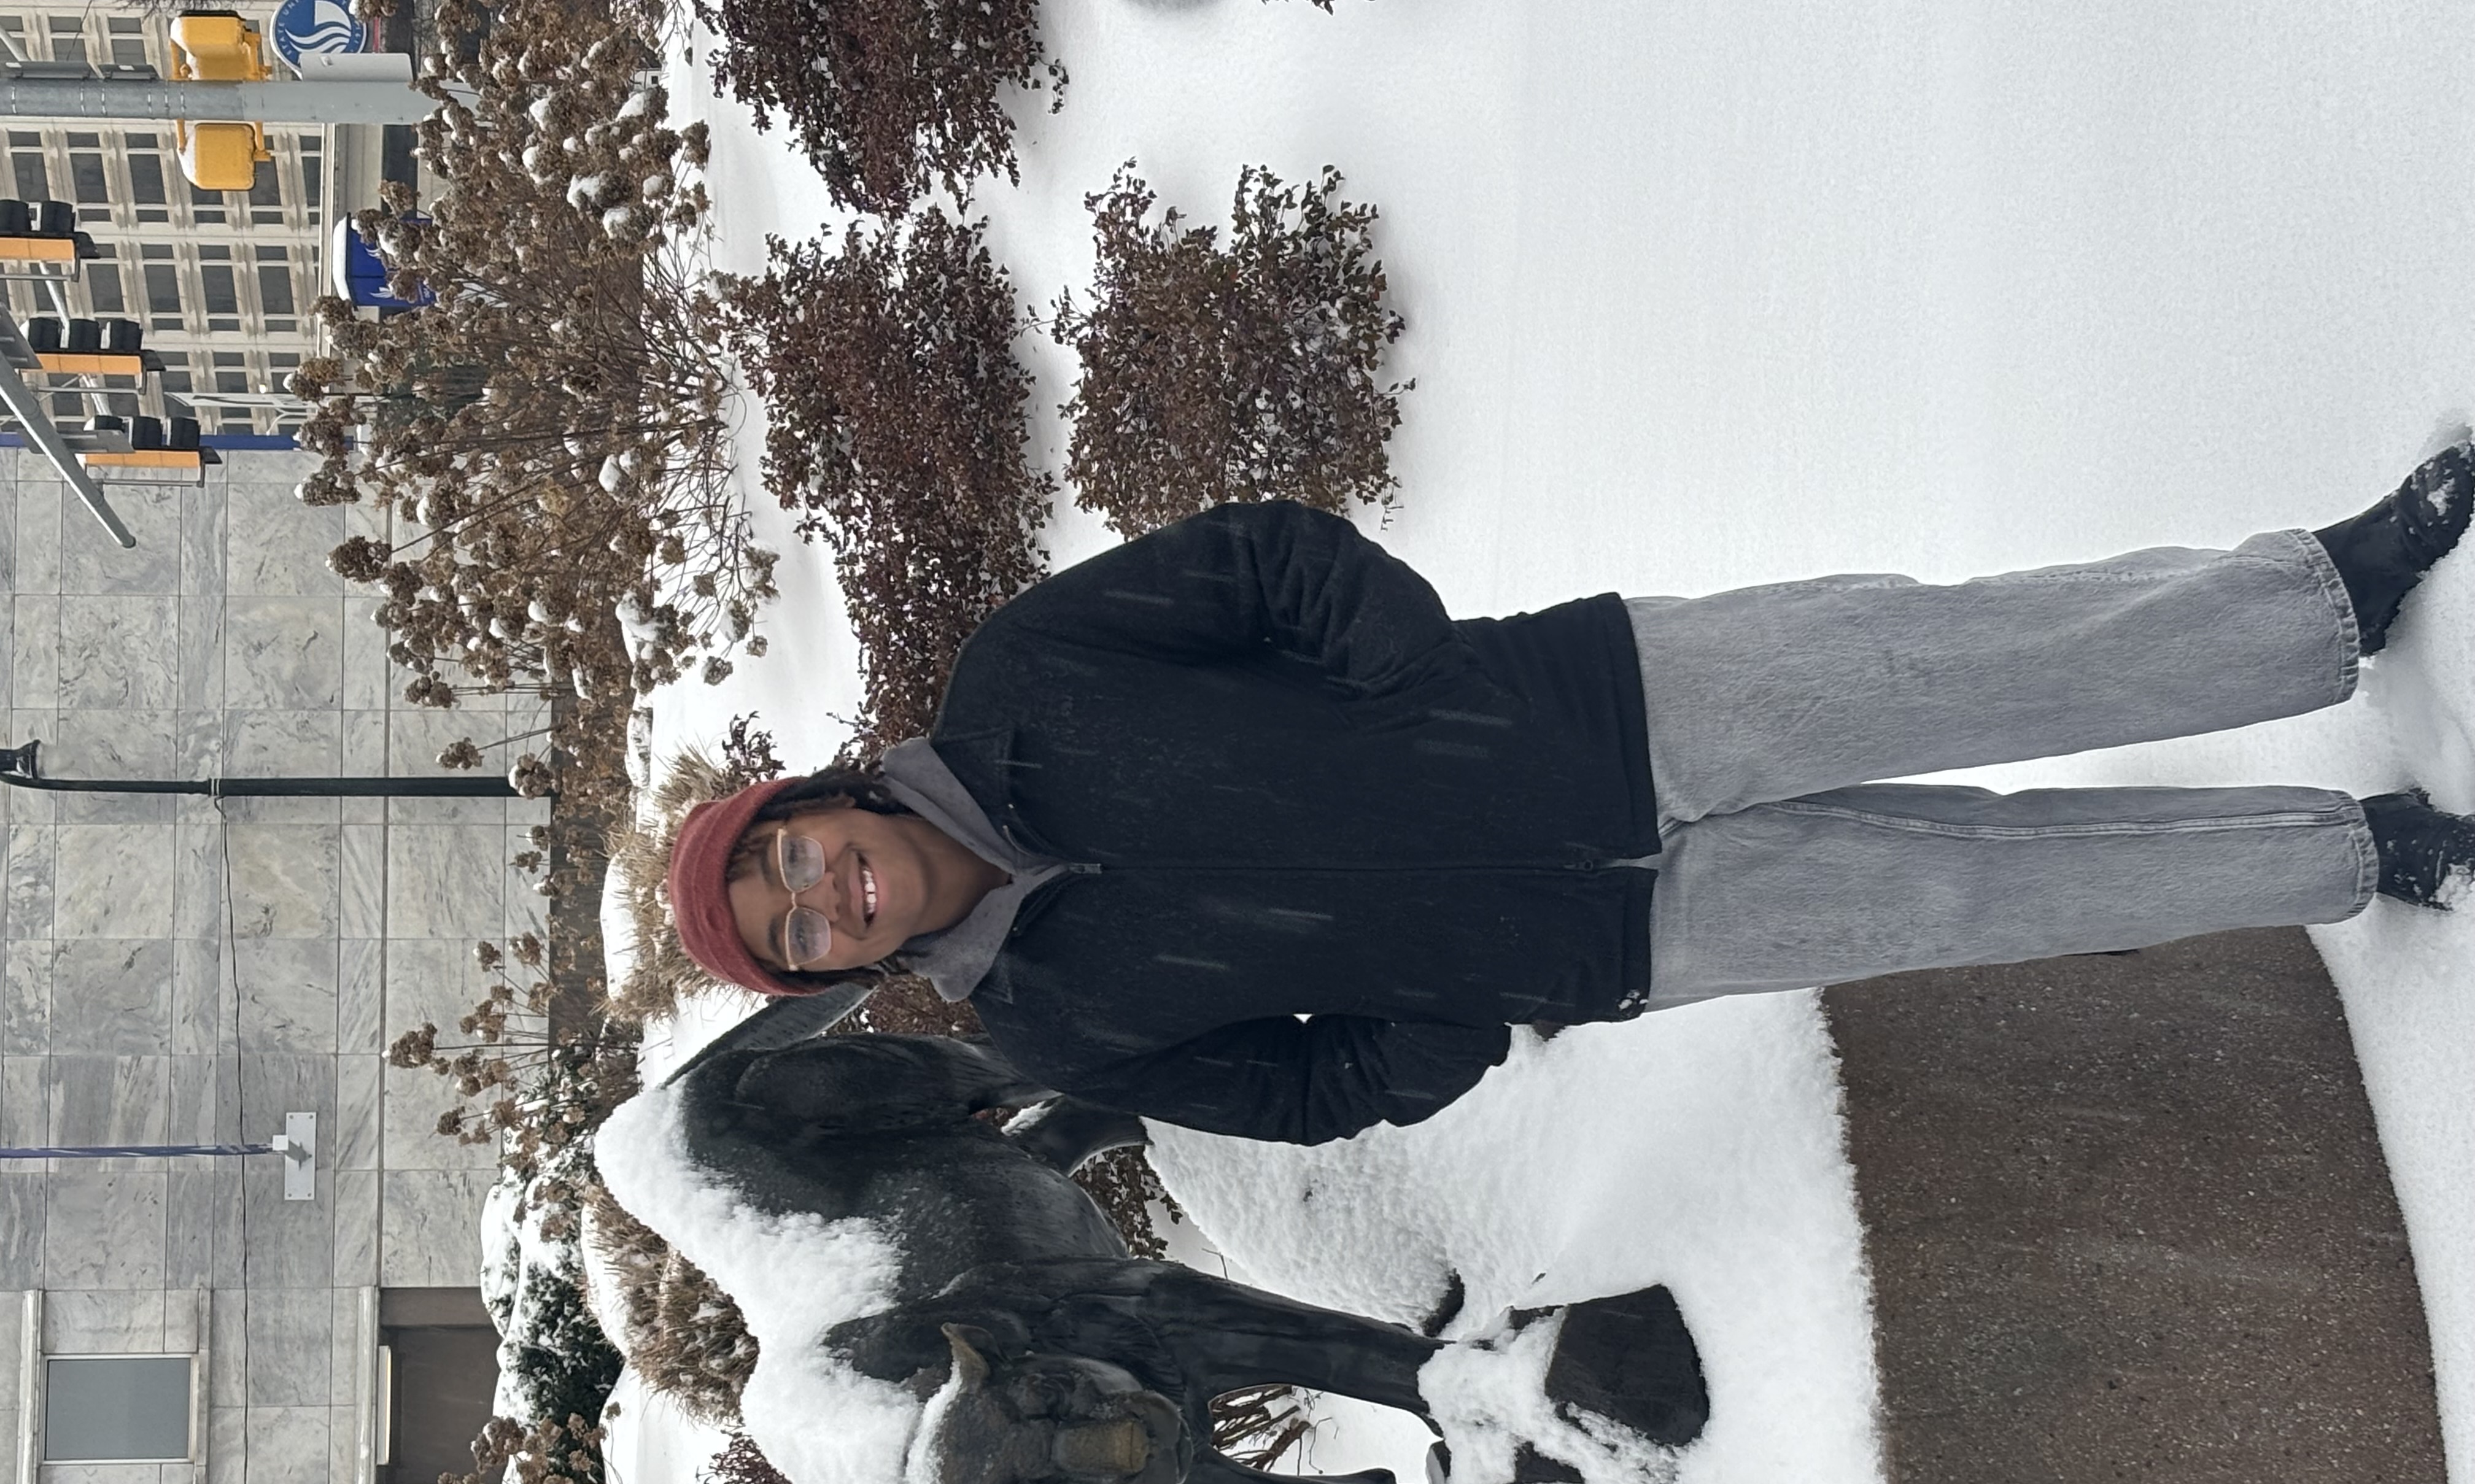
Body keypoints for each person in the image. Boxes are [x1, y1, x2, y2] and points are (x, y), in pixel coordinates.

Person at [657, 445, 2475, 1145]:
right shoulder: (1054, 1024)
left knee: (1976, 658)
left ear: (810, 802)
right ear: (829, 975)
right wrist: (1444, 1021)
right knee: (1985, 896)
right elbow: (1301, 1091)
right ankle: (2360, 850)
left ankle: (2327, 592)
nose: (827, 899)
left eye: (791, 864)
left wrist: (1414, 673)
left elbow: (1255, 563)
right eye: (796, 937)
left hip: (1602, 703)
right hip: (1613, 938)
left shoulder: (1021, 681)